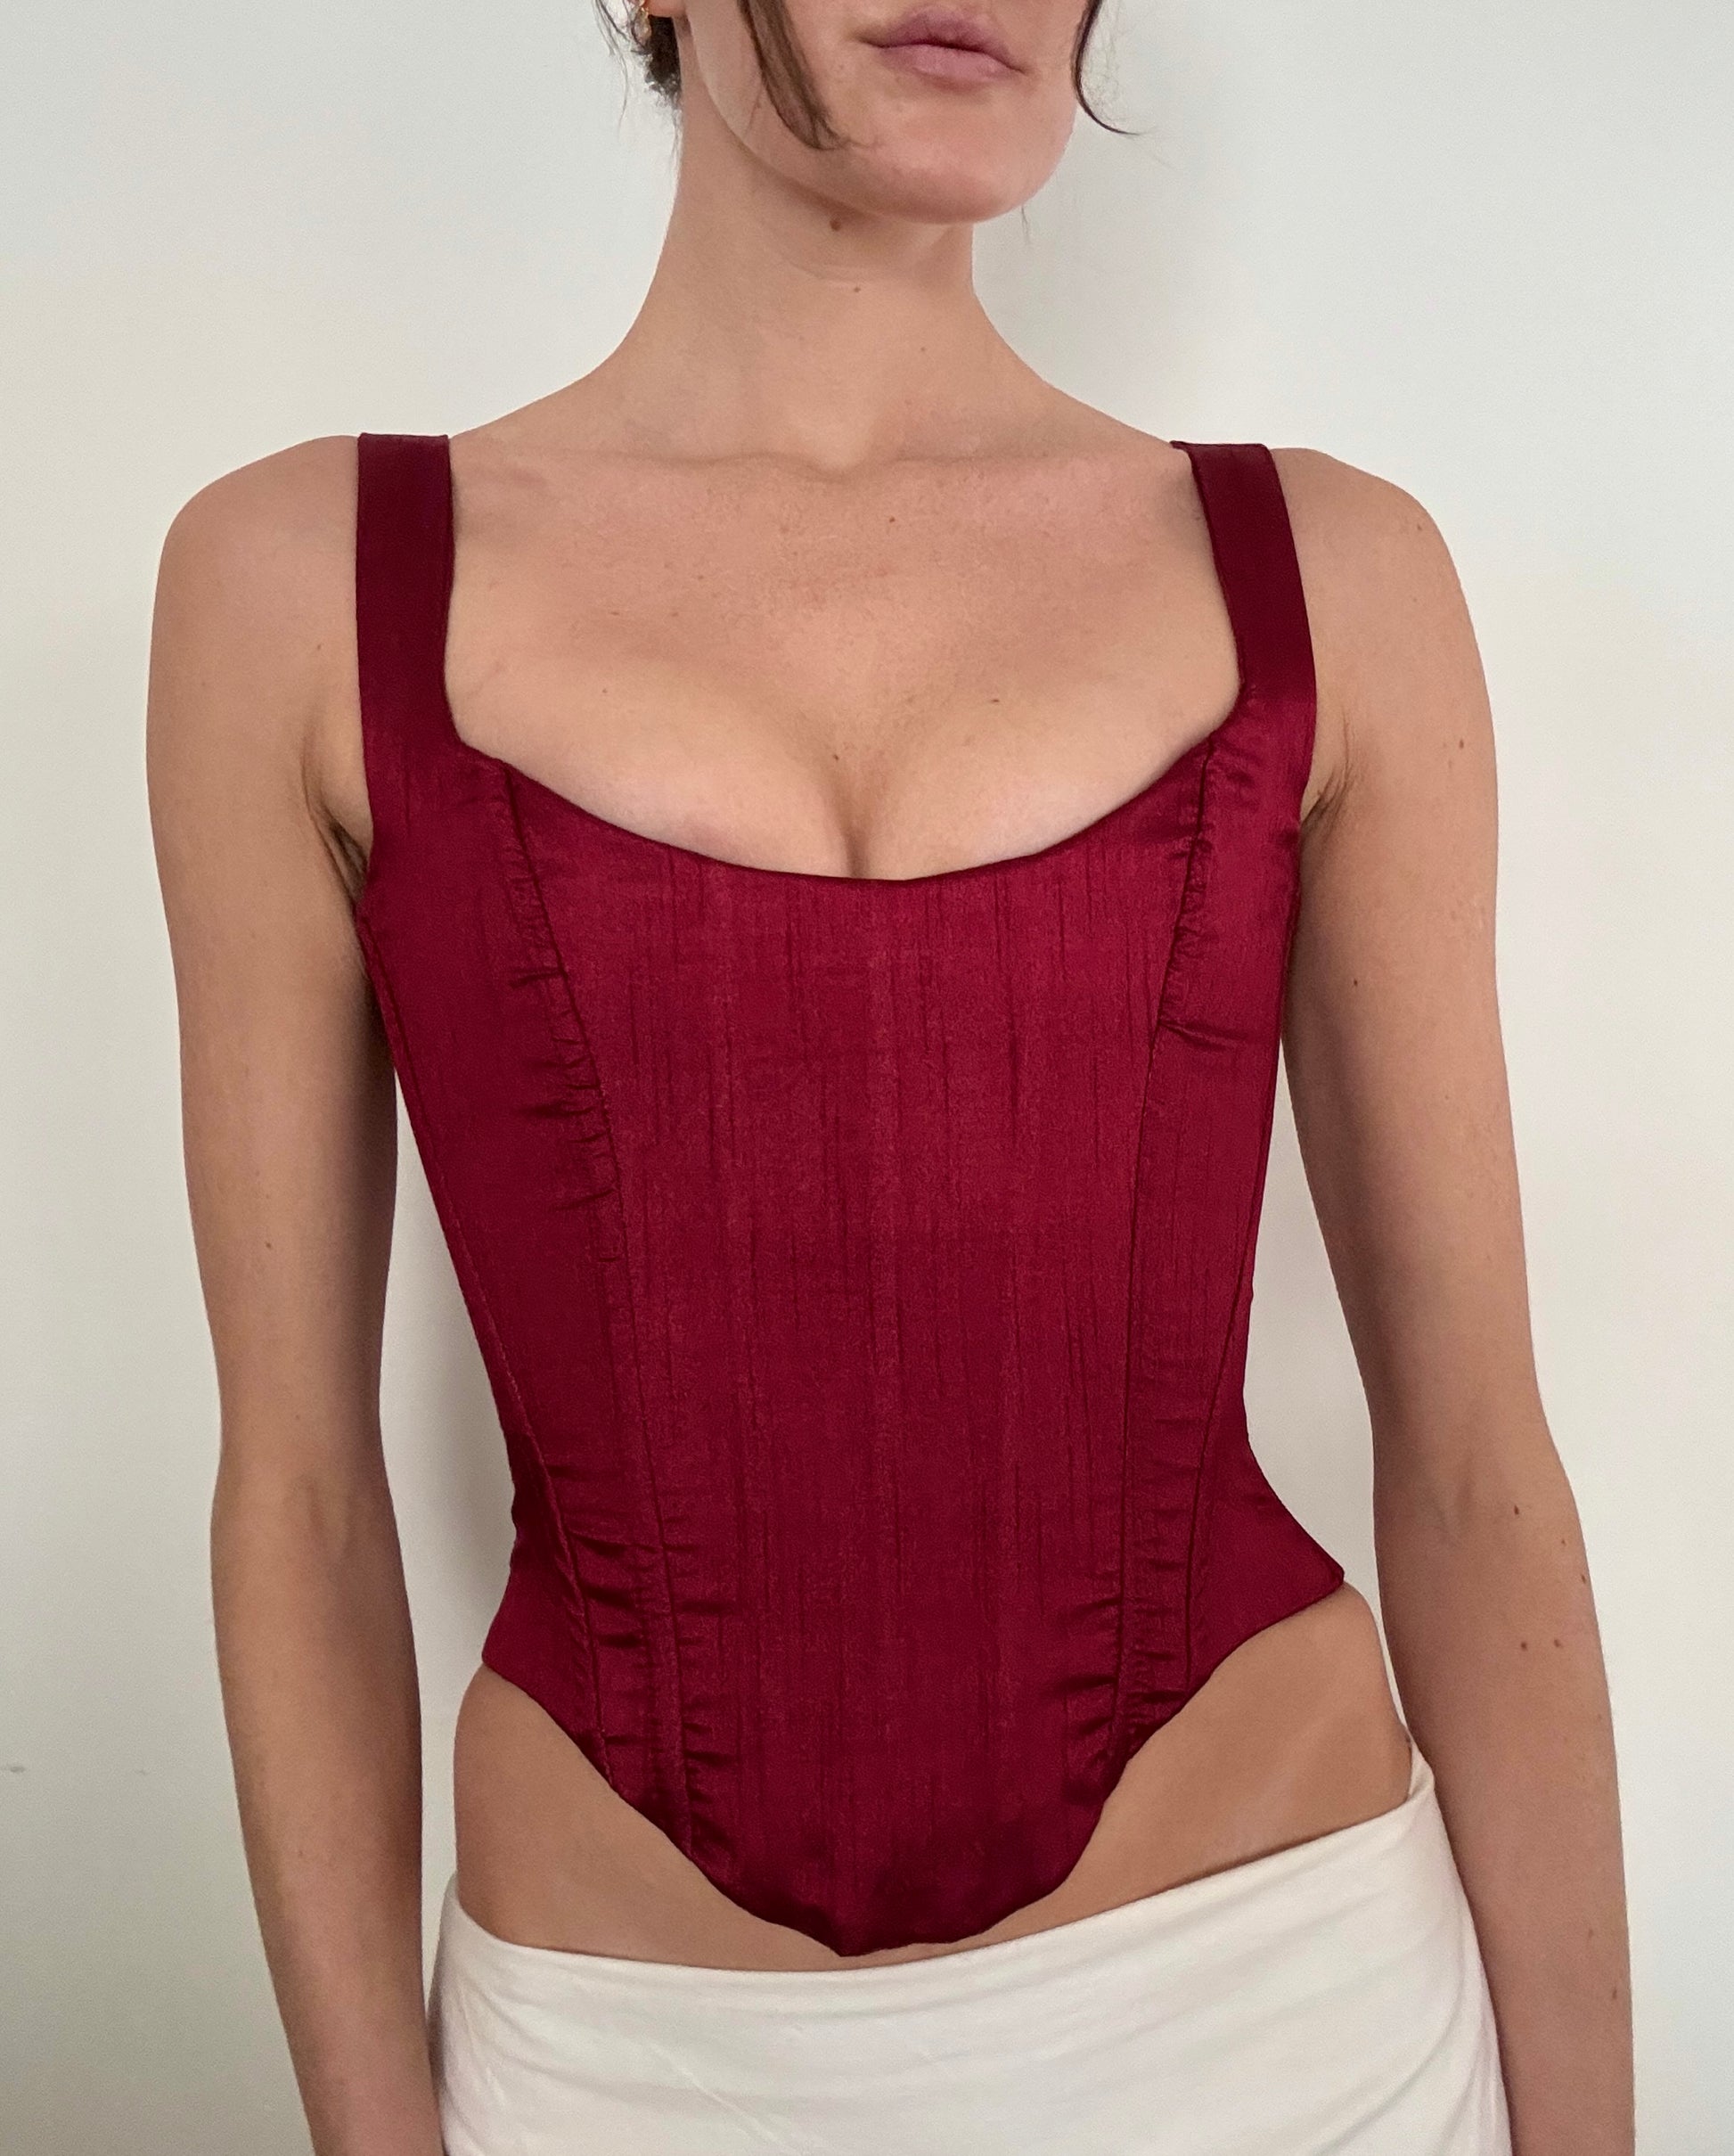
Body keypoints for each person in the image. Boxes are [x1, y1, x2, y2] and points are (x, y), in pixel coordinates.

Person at [145, 0, 1632, 2150]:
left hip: (1292, 2015)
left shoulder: (1329, 576)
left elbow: (1479, 1461)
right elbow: (295, 1490)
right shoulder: (299, 586)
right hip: (628, 2070)